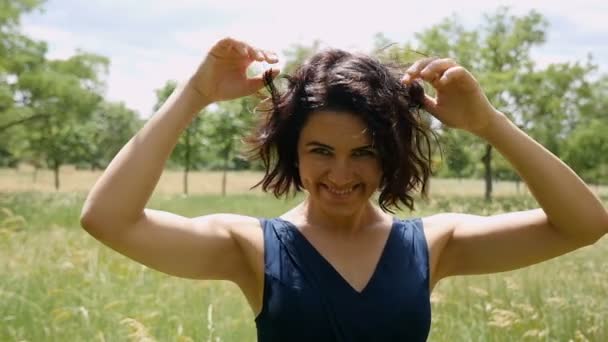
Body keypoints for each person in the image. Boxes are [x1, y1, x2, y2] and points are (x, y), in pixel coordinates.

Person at [80, 37, 608, 341]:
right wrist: (194, 93)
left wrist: (491, 124)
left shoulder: (432, 244)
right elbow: (108, 219)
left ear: (391, 156)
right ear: (293, 152)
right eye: (320, 151)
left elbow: (584, 224)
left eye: (364, 153)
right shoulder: (253, 248)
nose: (340, 174)